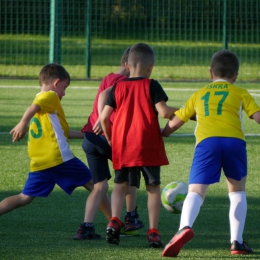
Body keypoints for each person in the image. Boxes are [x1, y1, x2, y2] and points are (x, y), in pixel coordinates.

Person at [161, 49, 260, 257]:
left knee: (196, 192)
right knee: (237, 191)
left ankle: (184, 227)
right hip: (235, 143)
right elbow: (258, 116)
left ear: (210, 73)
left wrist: (163, 133)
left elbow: (175, 123)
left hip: (207, 144)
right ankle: (237, 242)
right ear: (236, 76)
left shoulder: (199, 94)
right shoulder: (240, 92)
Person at [0, 63, 109, 239]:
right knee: (96, 185)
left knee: (24, 198)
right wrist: (22, 122)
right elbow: (33, 107)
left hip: (40, 163)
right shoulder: (50, 97)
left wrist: (88, 135)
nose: (64, 93)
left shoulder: (46, 106)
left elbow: (64, 133)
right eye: (64, 88)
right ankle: (114, 224)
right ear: (56, 82)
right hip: (59, 159)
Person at [100, 42, 179, 247]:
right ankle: (153, 231)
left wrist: (110, 138)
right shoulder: (152, 85)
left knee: (120, 185)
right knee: (153, 187)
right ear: (150, 67)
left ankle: (115, 220)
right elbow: (163, 112)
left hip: (123, 145)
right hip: (148, 145)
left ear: (127, 64)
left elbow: (104, 117)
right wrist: (185, 111)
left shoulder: (117, 86)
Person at [73, 47, 144, 240]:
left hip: (89, 138)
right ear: (128, 65)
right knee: (131, 174)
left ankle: (85, 227)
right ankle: (131, 218)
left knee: (100, 187)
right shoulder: (124, 81)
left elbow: (104, 92)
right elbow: (105, 95)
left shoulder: (110, 76)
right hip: (106, 137)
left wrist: (98, 117)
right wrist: (102, 118)